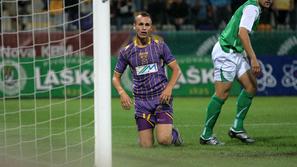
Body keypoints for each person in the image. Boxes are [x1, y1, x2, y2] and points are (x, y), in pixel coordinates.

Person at [199, 0, 273, 145]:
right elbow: (242, 33)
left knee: (251, 86)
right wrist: (253, 58)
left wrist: (245, 54)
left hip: (236, 53)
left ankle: (237, 128)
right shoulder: (252, 8)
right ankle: (206, 135)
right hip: (226, 53)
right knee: (222, 94)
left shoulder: (253, 7)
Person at [112, 11, 183, 148]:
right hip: (141, 102)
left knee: (163, 140)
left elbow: (177, 70)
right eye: (140, 24)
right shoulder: (126, 51)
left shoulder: (160, 46)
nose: (144, 27)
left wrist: (168, 88)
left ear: (151, 28)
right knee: (146, 145)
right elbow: (115, 77)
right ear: (134, 26)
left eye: (147, 25)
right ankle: (151, 133)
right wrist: (122, 93)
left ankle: (173, 135)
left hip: (161, 98)